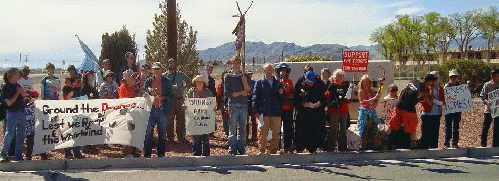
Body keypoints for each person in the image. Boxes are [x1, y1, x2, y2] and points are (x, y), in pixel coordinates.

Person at [252, 64, 285, 154]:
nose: (268, 72)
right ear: (264, 72)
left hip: (276, 112)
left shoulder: (278, 83)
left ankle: (273, 150)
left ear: (273, 71)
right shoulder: (259, 83)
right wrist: (256, 111)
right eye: (266, 70)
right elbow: (255, 98)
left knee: (276, 133)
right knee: (262, 133)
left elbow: (283, 100)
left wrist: (282, 94)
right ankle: (262, 151)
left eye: (270, 70)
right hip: (264, 112)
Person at [293, 66, 326, 153]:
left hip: (315, 112)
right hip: (304, 112)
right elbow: (295, 98)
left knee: (314, 131)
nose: (310, 83)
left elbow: (324, 98)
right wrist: (303, 103)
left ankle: (313, 148)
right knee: (301, 131)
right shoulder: (300, 83)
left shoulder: (319, 83)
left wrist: (319, 104)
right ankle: (300, 148)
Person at [142, 62, 173, 157]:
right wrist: (145, 94)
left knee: (162, 133)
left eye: (157, 69)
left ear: (162, 70)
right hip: (150, 109)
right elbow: (143, 91)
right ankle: (147, 154)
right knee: (148, 132)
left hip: (162, 109)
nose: (156, 71)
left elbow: (171, 95)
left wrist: (163, 98)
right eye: (154, 69)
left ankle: (161, 154)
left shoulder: (167, 81)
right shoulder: (148, 81)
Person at [1, 68, 30, 161]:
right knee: (9, 135)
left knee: (21, 136)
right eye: (18, 74)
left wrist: (23, 93)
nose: (20, 76)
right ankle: (3, 155)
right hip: (11, 113)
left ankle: (18, 156)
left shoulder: (18, 85)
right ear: (12, 75)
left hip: (22, 112)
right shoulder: (6, 87)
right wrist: (18, 93)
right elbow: (9, 103)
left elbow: (25, 96)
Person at [224, 55, 251, 155]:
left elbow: (248, 91)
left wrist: (245, 82)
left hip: (243, 105)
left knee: (243, 128)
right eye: (234, 63)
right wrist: (240, 93)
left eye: (238, 63)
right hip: (233, 105)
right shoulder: (228, 76)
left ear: (240, 64)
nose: (236, 65)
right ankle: (232, 148)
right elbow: (228, 93)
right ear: (231, 64)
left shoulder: (244, 76)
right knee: (232, 128)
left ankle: (241, 148)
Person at [385, 80, 423, 149]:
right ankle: (413, 144)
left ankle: (384, 139)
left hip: (400, 105)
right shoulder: (422, 88)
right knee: (412, 129)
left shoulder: (411, 83)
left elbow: (403, 90)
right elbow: (426, 100)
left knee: (391, 125)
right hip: (408, 108)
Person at [324, 69, 353, 152]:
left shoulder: (345, 86)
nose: (342, 77)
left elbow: (349, 98)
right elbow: (327, 97)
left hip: (344, 111)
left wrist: (347, 99)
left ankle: (343, 147)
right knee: (334, 129)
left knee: (343, 130)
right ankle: (331, 148)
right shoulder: (332, 86)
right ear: (336, 77)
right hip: (334, 111)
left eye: (343, 76)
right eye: (340, 76)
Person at [185, 75, 214, 156]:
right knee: (196, 138)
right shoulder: (191, 92)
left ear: (203, 83)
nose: (199, 84)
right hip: (195, 118)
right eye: (197, 82)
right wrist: (185, 107)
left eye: (200, 82)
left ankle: (206, 156)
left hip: (205, 118)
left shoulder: (208, 92)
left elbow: (212, 104)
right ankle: (196, 156)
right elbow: (186, 102)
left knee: (205, 139)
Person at [164, 58, 190, 143]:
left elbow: (189, 81)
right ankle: (170, 138)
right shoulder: (165, 75)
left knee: (181, 119)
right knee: (169, 120)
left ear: (175, 64)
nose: (171, 64)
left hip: (179, 99)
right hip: (169, 100)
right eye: (170, 63)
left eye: (173, 63)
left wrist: (183, 88)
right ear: (168, 64)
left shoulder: (180, 74)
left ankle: (181, 137)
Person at [357, 74, 383, 150]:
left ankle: (373, 145)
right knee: (364, 129)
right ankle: (363, 145)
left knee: (373, 128)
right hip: (364, 112)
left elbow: (376, 99)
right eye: (364, 82)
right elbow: (363, 101)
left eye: (367, 82)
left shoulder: (371, 91)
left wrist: (379, 90)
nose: (366, 84)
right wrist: (373, 98)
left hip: (372, 111)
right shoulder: (361, 91)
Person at [420, 73, 445, 149]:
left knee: (435, 133)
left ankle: (434, 148)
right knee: (425, 132)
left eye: (435, 80)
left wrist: (439, 103)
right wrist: (431, 90)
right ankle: (424, 148)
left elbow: (442, 100)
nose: (433, 82)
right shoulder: (424, 88)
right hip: (426, 113)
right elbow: (423, 99)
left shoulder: (440, 88)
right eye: (432, 80)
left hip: (436, 113)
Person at [275, 63, 294, 154]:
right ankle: (277, 147)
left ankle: (287, 146)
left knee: (288, 129)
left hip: (288, 108)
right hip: (278, 108)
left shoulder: (289, 81)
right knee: (277, 128)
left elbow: (292, 92)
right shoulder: (275, 81)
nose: (283, 72)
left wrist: (291, 95)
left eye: (285, 70)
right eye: (281, 70)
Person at [62, 86, 84, 159]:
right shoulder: (61, 102)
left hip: (74, 122)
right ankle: (68, 153)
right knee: (67, 138)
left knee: (75, 137)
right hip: (65, 123)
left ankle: (76, 152)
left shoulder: (73, 101)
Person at [480, 69, 499, 147]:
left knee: (497, 127)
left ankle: (495, 144)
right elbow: (482, 95)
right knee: (486, 126)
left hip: (497, 110)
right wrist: (486, 102)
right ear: (493, 76)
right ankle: (483, 144)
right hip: (488, 109)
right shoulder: (487, 85)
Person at [444, 69, 462, 148]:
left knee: (456, 127)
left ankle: (455, 142)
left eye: (455, 76)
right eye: (452, 77)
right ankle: (447, 142)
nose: (453, 78)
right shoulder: (446, 86)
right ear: (449, 77)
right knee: (448, 126)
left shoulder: (460, 87)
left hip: (457, 110)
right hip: (449, 110)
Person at [216, 71, 229, 136]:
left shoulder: (230, 84)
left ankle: (230, 129)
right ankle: (225, 129)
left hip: (229, 102)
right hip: (222, 102)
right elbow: (218, 94)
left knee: (230, 116)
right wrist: (217, 104)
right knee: (224, 116)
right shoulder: (220, 84)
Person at [246, 70, 257, 141]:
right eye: (248, 74)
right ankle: (246, 135)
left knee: (253, 120)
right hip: (246, 101)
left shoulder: (254, 82)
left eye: (250, 74)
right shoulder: (244, 82)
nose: (249, 75)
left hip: (252, 101)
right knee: (246, 120)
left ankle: (254, 135)